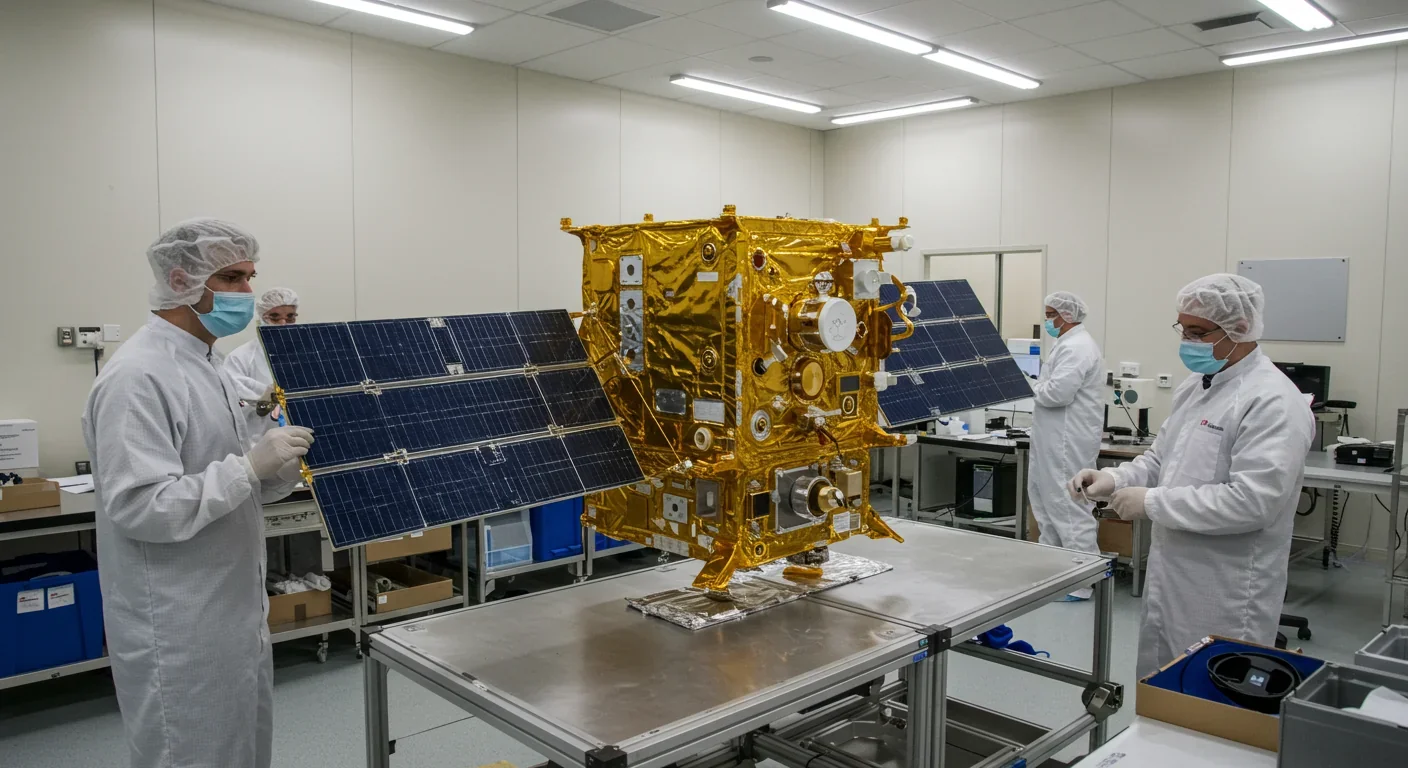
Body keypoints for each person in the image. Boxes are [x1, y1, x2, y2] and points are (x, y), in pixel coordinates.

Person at [82, 219, 315, 768]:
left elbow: (238, 487)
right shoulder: (138, 376)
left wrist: (278, 468)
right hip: (178, 624)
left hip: (234, 610)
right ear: (181, 280)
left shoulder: (212, 366)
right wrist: (249, 467)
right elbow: (142, 507)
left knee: (243, 749)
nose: (248, 293)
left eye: (250, 277)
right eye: (231, 278)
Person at [1068, 274, 1313, 678]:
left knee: (1214, 695)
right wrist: (1114, 479)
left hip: (1227, 589)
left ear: (1239, 328)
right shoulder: (1197, 387)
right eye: (1183, 329)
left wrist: (1151, 502)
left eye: (1198, 333)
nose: (1187, 341)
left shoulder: (1272, 401)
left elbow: (1253, 503)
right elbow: (1161, 459)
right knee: (1162, 684)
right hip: (1172, 574)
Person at [1028, 291, 1105, 601]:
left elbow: (1057, 394)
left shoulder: (1077, 347)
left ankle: (1081, 583)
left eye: (1051, 315)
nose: (1047, 321)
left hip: (1066, 442)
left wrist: (1031, 385)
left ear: (1067, 316)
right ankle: (1055, 576)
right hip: (1053, 440)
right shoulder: (1066, 344)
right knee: (1048, 508)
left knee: (1069, 509)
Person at [225, 287, 299, 439]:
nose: (283, 323)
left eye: (290, 317)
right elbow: (231, 406)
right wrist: (263, 397)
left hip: (303, 439)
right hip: (260, 441)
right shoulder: (240, 357)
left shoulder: (307, 353)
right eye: (274, 317)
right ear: (262, 318)